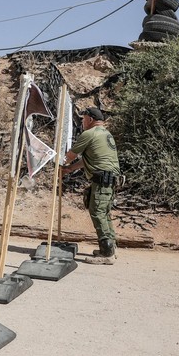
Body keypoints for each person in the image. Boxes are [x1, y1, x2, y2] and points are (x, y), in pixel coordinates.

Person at [60, 106, 121, 264]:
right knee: (104, 212)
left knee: (98, 212)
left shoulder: (89, 134)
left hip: (102, 179)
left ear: (90, 119)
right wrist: (70, 169)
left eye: (84, 118)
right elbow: (88, 159)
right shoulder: (105, 134)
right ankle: (111, 248)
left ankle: (107, 254)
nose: (82, 121)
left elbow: (70, 155)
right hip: (109, 179)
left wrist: (60, 163)